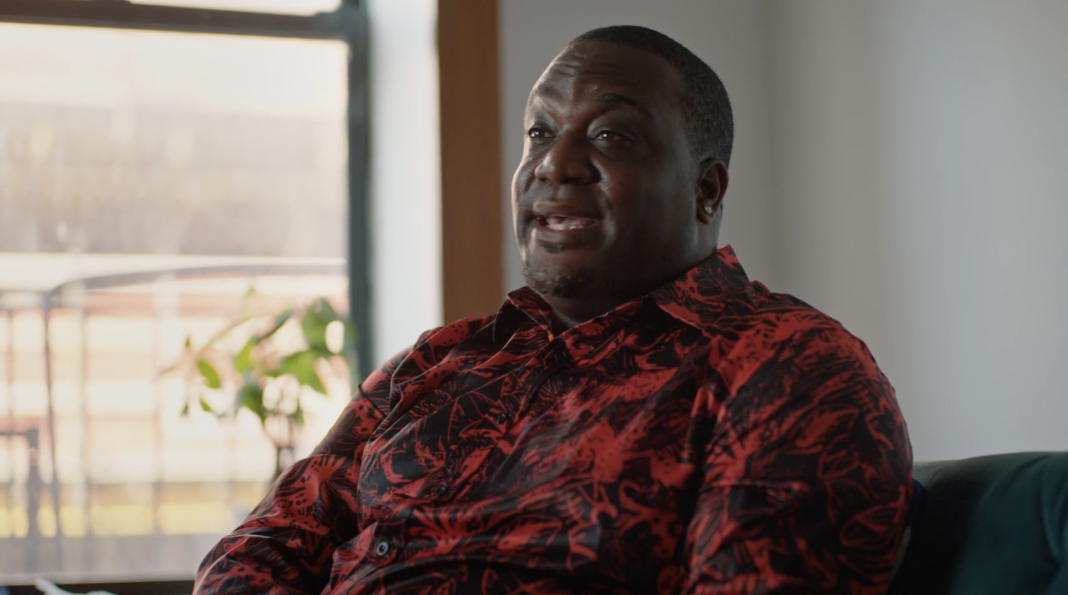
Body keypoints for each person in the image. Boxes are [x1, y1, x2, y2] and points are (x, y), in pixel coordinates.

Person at [195, 25, 912, 595]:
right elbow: (260, 548)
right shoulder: (441, 359)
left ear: (707, 191)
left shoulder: (790, 368)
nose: (554, 163)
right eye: (540, 132)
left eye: (610, 137)